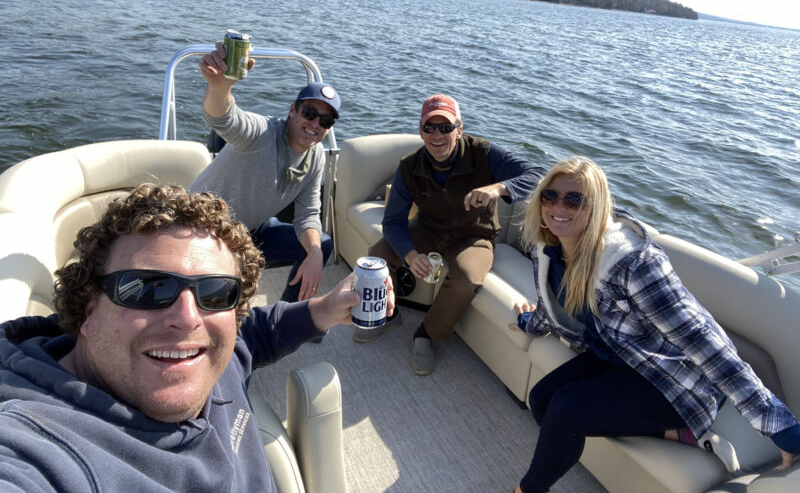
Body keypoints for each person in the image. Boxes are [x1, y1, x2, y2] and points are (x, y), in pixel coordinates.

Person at [0, 184, 394, 492]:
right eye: (147, 288)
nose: (188, 318)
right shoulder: (39, 447)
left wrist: (325, 309)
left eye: (215, 293)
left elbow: (255, 334)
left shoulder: (212, 347)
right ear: (88, 309)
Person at [509, 157, 800, 493]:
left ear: (598, 206)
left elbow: (703, 341)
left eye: (574, 199)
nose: (559, 206)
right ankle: (678, 435)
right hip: (620, 356)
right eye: (550, 196)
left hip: (674, 377)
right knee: (542, 399)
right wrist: (530, 322)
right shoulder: (552, 249)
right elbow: (554, 303)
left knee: (564, 411)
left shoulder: (633, 263)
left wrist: (778, 425)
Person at [360, 93, 544, 376]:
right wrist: (409, 254)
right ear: (420, 132)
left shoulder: (484, 153)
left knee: (466, 279)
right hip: (428, 228)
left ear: (459, 129)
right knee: (379, 256)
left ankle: (427, 333)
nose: (438, 135)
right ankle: (388, 313)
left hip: (473, 236)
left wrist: (498, 188)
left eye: (445, 127)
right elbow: (393, 221)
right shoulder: (409, 166)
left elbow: (538, 175)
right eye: (429, 127)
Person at [190, 40, 340, 303]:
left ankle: (290, 317)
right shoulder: (261, 133)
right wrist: (221, 87)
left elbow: (307, 215)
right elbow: (224, 117)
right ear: (293, 110)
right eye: (309, 112)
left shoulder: (316, 157)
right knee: (221, 300)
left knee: (321, 245)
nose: (315, 123)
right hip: (201, 232)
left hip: (251, 229)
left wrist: (315, 254)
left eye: (325, 120)